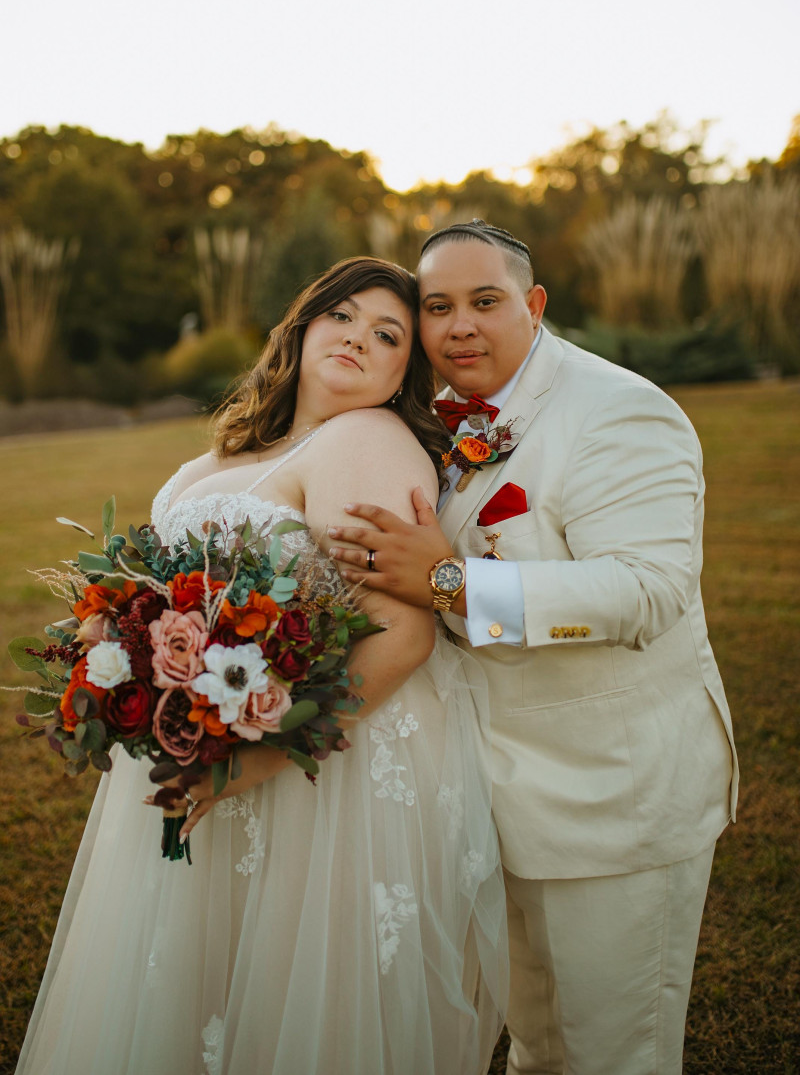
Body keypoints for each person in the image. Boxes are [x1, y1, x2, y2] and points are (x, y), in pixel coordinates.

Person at [15, 257, 508, 1075]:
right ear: (303, 325)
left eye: (387, 334)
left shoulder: (368, 439)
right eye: (341, 316)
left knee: (293, 993)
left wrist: (256, 757)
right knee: (194, 986)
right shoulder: (211, 463)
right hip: (202, 752)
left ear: (401, 373)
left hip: (316, 779)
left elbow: (402, 633)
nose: (357, 338)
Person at [328, 221, 739, 1075]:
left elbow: (646, 590)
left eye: (485, 301)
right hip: (489, 800)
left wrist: (451, 585)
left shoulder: (619, 410)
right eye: (437, 306)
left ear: (535, 303)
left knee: (615, 1055)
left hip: (612, 798)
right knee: (535, 1048)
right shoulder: (437, 418)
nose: (458, 326)